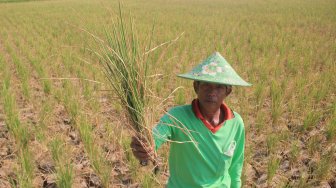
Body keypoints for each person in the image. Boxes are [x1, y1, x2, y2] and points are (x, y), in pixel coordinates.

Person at [131, 52, 251, 188]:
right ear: (196, 87)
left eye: (218, 86)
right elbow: (154, 139)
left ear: (227, 91)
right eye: (206, 84)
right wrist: (144, 148)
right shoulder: (177, 117)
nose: (212, 92)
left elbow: (235, 168)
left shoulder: (236, 123)